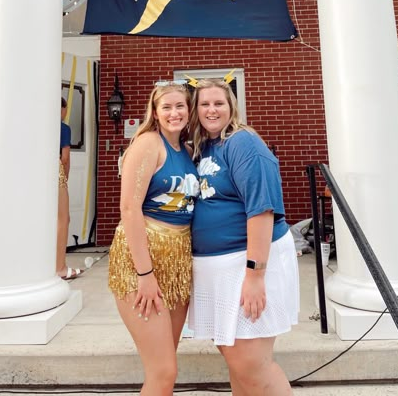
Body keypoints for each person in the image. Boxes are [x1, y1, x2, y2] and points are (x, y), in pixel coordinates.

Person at [188, 78, 299, 396]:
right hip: (217, 269)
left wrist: (254, 274)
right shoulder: (204, 146)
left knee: (251, 364)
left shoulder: (242, 143)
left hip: (246, 263)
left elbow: (262, 211)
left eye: (218, 103)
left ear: (231, 107)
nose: (211, 109)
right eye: (204, 104)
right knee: (237, 361)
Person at [108, 82, 200, 396]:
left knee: (163, 368)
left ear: (189, 110)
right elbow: (129, 208)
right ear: (156, 112)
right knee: (164, 371)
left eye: (180, 106)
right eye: (167, 107)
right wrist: (144, 274)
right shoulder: (148, 143)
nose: (174, 113)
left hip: (177, 263)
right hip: (143, 261)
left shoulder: (187, 151)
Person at [57, 97, 83, 280]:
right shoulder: (62, 128)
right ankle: (60, 267)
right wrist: (64, 178)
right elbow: (65, 157)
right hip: (54, 173)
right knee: (62, 219)